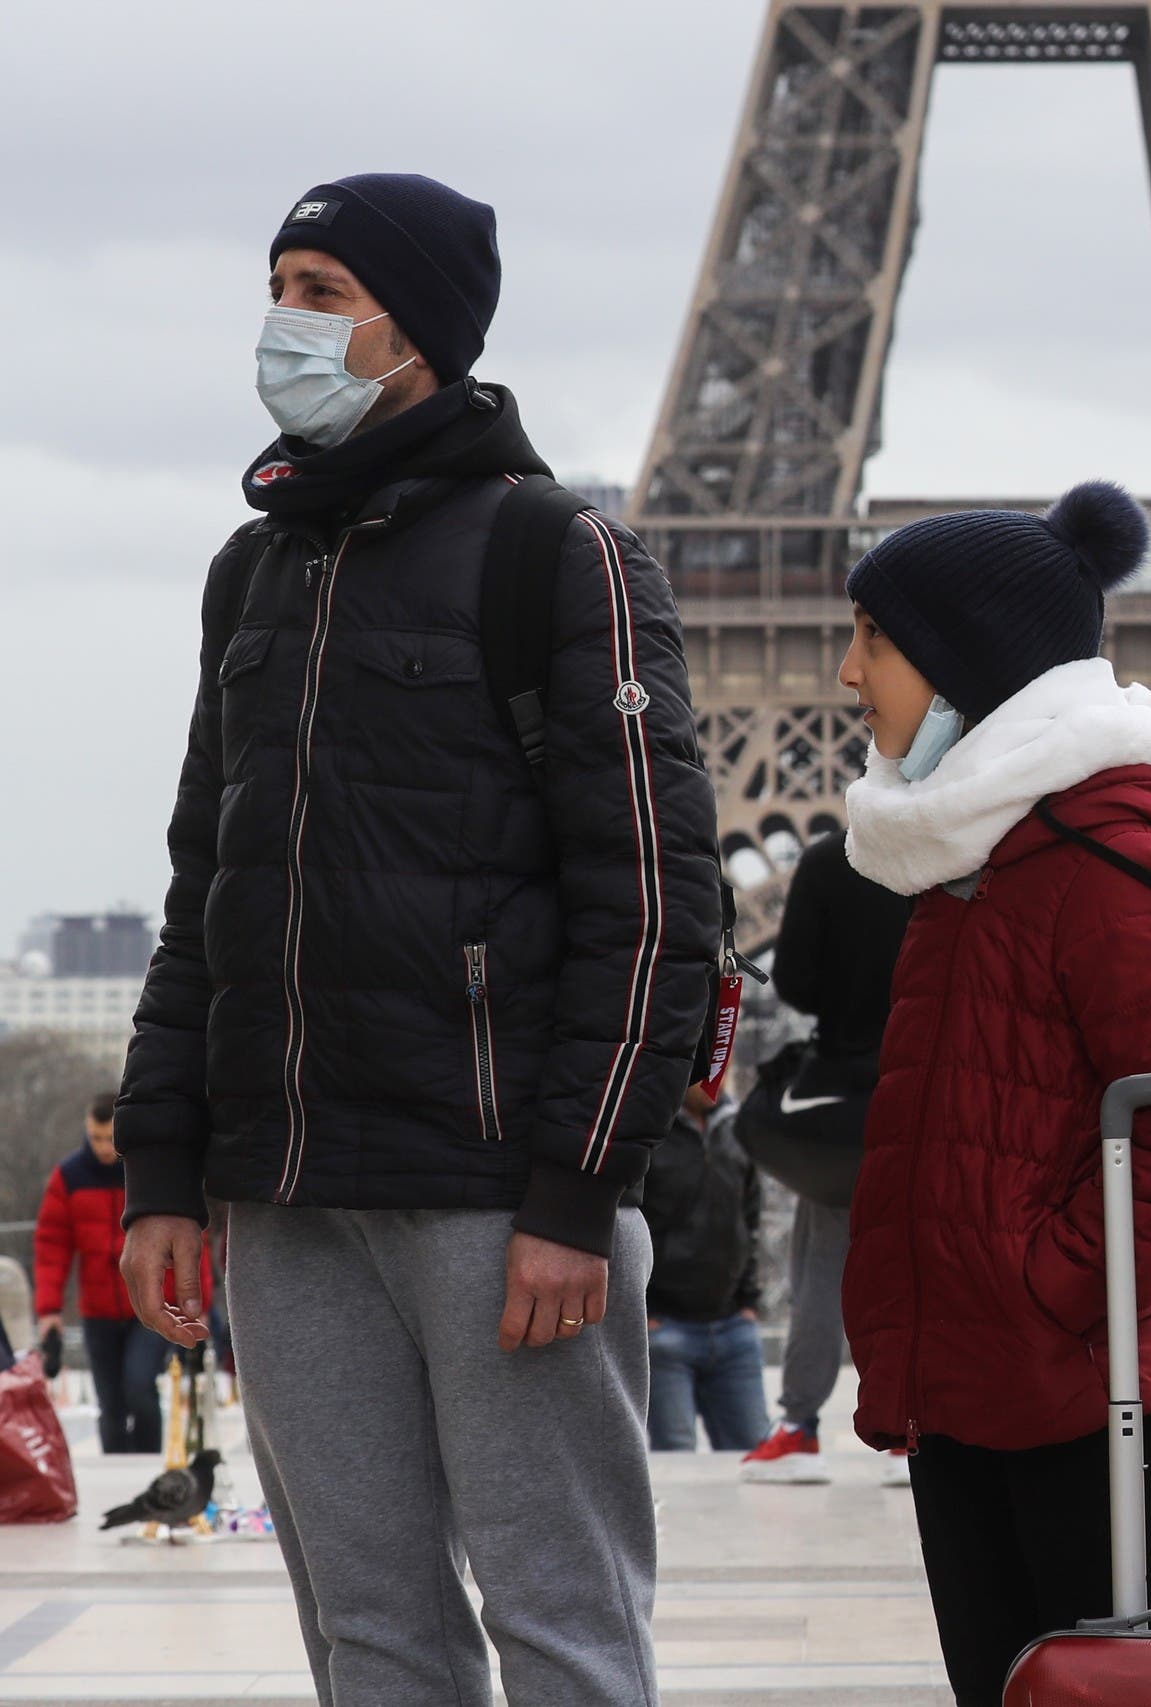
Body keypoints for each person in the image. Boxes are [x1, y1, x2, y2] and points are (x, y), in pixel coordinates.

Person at [114, 175, 720, 1707]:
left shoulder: (557, 551)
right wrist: (168, 1168)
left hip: (498, 1193)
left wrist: (581, 1188)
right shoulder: (254, 570)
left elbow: (653, 897)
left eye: (321, 288)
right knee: (369, 1638)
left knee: (561, 1620)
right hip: (290, 1192)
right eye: (280, 283)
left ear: (418, 327)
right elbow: (209, 894)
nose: (285, 321)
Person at [832, 481, 1151, 1707]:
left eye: (873, 639)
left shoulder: (1082, 855)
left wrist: (1054, 1283)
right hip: (968, 1384)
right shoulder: (974, 855)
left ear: (968, 661)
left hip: (1070, 1399)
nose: (849, 674)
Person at [743, 826, 913, 1486]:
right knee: (922, 1260)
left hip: (841, 1095)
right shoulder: (945, 847)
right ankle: (909, 1426)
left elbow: (794, 980)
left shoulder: (826, 860)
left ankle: (800, 1426)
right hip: (927, 1082)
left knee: (821, 1255)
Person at [33, 1095, 200, 1452]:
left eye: (110, 1138)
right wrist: (49, 1311)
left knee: (139, 1387)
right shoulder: (69, 1178)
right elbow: (52, 1248)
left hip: (150, 1305)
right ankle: (119, 1485)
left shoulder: (148, 1175)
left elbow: (188, 1236)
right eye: (95, 1138)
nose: (103, 1147)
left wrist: (195, 1304)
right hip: (98, 1311)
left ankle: (152, 1471)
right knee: (110, 1406)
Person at [641, 1085, 771, 1452]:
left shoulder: (739, 1128)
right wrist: (646, 1311)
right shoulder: (651, 1132)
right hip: (666, 1331)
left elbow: (751, 1220)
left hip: (734, 1329)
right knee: (676, 1462)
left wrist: (749, 1304)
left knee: (755, 1460)